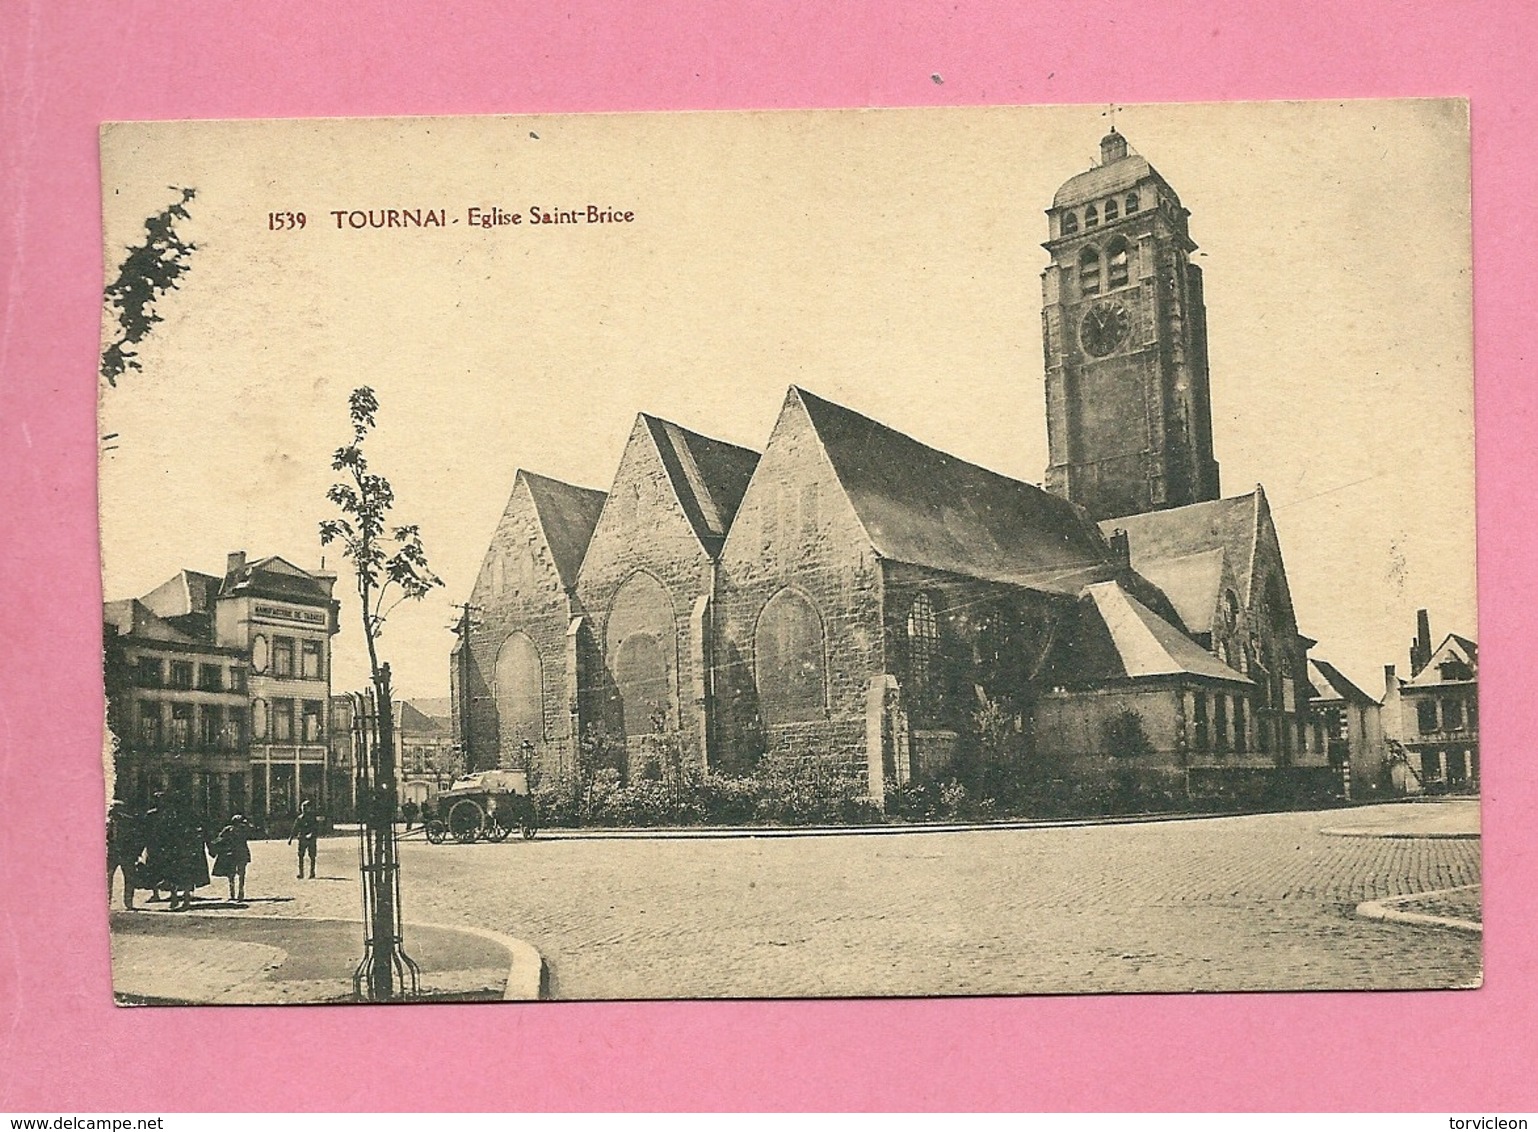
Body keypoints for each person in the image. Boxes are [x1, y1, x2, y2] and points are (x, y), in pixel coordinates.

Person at [106, 800, 144, 910]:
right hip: (111, 854)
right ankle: (106, 902)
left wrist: (135, 853)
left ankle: (128, 902)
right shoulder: (107, 823)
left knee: (129, 878)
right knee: (107, 878)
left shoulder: (129, 823)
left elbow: (136, 839)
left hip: (126, 854)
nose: (111, 810)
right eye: (111, 807)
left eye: (114, 808)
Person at [210, 813, 254, 902]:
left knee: (233, 874)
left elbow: (219, 838)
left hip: (234, 853)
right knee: (239, 873)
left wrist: (213, 844)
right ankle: (238, 892)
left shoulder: (230, 829)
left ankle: (234, 892)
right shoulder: (242, 829)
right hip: (240, 853)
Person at [288, 799, 319, 879]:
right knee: (300, 855)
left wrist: (312, 834)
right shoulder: (300, 818)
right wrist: (291, 838)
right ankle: (301, 873)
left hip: (311, 839)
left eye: (306, 807)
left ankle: (312, 873)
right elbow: (295, 828)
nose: (304, 809)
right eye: (303, 807)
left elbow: (316, 828)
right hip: (302, 838)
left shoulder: (312, 818)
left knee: (312, 856)